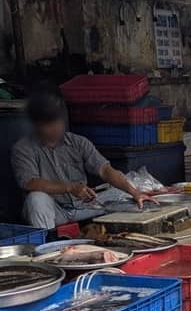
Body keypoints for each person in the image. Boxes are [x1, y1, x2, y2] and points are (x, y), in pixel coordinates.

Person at [13, 90, 158, 229]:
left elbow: (105, 170)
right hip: (56, 211)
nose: (55, 128)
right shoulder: (23, 148)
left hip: (85, 206)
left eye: (58, 122)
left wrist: (135, 193)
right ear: (37, 125)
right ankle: (45, 245)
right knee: (36, 199)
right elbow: (29, 182)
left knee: (126, 189)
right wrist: (70, 187)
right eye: (49, 124)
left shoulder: (78, 142)